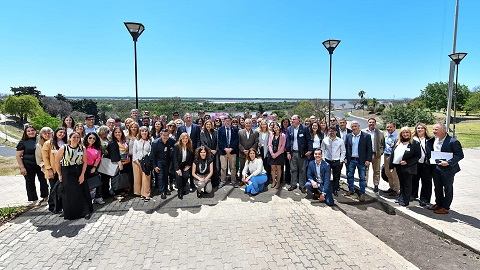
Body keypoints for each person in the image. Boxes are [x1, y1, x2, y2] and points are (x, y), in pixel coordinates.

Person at [426, 123, 464, 214]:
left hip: (448, 169)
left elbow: (460, 155)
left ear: (443, 130)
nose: (434, 131)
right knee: (437, 187)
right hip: (436, 167)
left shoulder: (453, 141)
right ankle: (438, 203)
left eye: (436, 129)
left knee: (447, 188)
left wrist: (448, 163)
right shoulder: (432, 140)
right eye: (433, 129)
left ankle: (445, 207)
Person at [55, 132, 93, 220]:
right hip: (67, 171)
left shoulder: (82, 148)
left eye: (78, 137)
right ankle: (72, 213)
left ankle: (85, 211)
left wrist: (82, 174)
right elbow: (57, 161)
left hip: (78, 170)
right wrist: (60, 174)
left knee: (81, 191)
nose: (76, 139)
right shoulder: (63, 148)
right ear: (70, 138)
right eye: (74, 137)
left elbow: (85, 162)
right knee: (69, 193)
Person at [16, 125, 49, 206]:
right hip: (28, 165)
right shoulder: (23, 142)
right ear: (26, 133)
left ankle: (45, 196)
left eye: (32, 130)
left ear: (36, 131)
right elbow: (18, 156)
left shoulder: (40, 140)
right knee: (30, 182)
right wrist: (22, 167)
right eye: (29, 131)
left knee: (43, 180)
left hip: (40, 164)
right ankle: (34, 199)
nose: (31, 132)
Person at [389, 127, 421, 206]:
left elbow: (417, 156)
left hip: (409, 167)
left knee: (407, 184)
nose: (405, 134)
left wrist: (407, 162)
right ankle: (401, 197)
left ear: (410, 133)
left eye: (407, 132)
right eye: (403, 132)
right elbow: (393, 153)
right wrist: (391, 165)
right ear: (401, 134)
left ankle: (405, 200)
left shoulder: (415, 143)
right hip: (399, 166)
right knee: (402, 183)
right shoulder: (397, 141)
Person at [344, 121, 372, 202]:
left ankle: (362, 193)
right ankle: (351, 189)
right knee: (350, 176)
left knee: (362, 177)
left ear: (359, 126)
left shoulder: (366, 136)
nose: (354, 128)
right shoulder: (348, 136)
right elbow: (346, 148)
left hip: (362, 160)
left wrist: (368, 160)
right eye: (352, 126)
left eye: (355, 126)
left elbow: (369, 149)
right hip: (351, 160)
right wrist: (345, 158)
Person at [42, 127, 67, 212]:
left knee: (62, 188)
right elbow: (45, 158)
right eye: (60, 132)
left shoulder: (65, 143)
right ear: (56, 133)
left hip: (63, 169)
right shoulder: (48, 143)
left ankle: (61, 206)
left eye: (64, 133)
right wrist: (48, 169)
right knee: (53, 189)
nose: (62, 134)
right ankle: (53, 206)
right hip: (52, 170)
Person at [286, 115, 312, 191]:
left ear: (298, 120)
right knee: (293, 169)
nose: (292, 120)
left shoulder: (304, 128)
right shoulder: (289, 129)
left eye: (294, 119)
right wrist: (288, 152)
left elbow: (309, 140)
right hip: (292, 153)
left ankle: (302, 185)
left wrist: (309, 150)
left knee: (302, 170)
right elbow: (288, 141)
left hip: (302, 153)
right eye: (292, 119)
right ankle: (293, 184)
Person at [151, 129, 176, 199]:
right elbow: (152, 155)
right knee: (161, 176)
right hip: (159, 161)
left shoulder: (171, 141)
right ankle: (162, 192)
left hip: (167, 160)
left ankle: (165, 189)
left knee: (166, 175)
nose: (165, 137)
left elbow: (177, 144)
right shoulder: (155, 143)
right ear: (161, 135)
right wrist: (154, 166)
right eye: (164, 135)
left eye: (167, 135)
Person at [107, 127, 131, 199]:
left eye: (119, 132)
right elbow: (113, 154)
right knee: (116, 178)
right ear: (113, 134)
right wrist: (119, 163)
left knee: (123, 177)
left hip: (126, 162)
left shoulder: (124, 141)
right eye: (116, 132)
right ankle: (116, 192)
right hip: (118, 163)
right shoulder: (112, 142)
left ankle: (123, 190)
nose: (118, 134)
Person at [321, 126, 346, 197]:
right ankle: (326, 189)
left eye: (333, 131)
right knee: (326, 176)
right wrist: (323, 159)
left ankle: (335, 189)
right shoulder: (325, 140)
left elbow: (343, 151)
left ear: (336, 132)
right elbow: (322, 149)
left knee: (336, 176)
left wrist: (341, 160)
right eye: (330, 131)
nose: (331, 133)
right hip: (327, 160)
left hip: (337, 161)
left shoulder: (340, 141)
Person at [412, 122, 432, 206]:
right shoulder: (412, 139)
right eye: (418, 128)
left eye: (422, 128)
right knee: (414, 180)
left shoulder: (430, 140)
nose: (420, 130)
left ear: (425, 130)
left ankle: (424, 199)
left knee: (426, 182)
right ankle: (412, 195)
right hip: (415, 164)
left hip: (426, 164)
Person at [363, 118, 385, 193]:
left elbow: (383, 143)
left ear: (375, 123)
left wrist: (381, 152)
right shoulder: (363, 132)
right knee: (365, 169)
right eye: (370, 122)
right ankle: (364, 183)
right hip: (366, 154)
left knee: (376, 171)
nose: (371, 124)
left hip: (376, 154)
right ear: (367, 123)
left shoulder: (380, 132)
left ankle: (376, 185)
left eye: (373, 122)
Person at [217, 116, 239, 188]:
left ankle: (233, 181)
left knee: (233, 167)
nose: (228, 122)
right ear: (224, 122)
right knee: (223, 167)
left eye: (229, 121)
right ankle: (222, 181)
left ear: (231, 122)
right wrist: (225, 148)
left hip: (232, 152)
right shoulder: (220, 129)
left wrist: (231, 148)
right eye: (226, 121)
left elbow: (236, 140)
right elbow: (219, 141)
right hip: (223, 152)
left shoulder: (235, 129)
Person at [132, 126, 152, 201]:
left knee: (146, 178)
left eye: (145, 131)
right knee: (138, 178)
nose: (144, 132)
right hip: (137, 161)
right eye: (142, 131)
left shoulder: (150, 140)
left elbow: (151, 151)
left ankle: (146, 194)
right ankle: (140, 193)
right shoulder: (136, 141)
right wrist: (137, 161)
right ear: (140, 132)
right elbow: (134, 152)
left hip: (146, 162)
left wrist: (147, 159)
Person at [238, 118, 259, 188]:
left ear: (251, 124)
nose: (248, 124)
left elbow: (256, 142)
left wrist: (250, 151)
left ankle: (250, 180)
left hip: (252, 154)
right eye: (246, 123)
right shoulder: (240, 132)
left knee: (251, 168)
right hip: (242, 153)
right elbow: (238, 142)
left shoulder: (255, 132)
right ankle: (242, 180)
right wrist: (243, 150)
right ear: (244, 124)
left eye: (249, 123)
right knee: (242, 167)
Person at [83, 132, 103, 204]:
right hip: (83, 167)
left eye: (94, 138)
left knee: (98, 180)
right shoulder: (83, 147)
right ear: (87, 138)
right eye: (90, 138)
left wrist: (94, 167)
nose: (92, 139)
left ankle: (98, 197)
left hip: (93, 166)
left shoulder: (97, 148)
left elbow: (98, 158)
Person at [173, 132, 194, 199]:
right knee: (179, 176)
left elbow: (191, 157)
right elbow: (174, 158)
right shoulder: (176, 146)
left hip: (185, 164)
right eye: (183, 138)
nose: (185, 140)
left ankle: (184, 186)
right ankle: (180, 191)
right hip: (178, 164)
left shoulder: (189, 146)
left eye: (186, 138)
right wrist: (177, 169)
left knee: (185, 175)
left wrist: (189, 165)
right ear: (181, 139)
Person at [200, 119, 219, 188]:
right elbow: (203, 144)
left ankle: (216, 183)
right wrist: (210, 150)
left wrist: (216, 150)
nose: (208, 125)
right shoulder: (202, 133)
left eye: (209, 124)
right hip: (208, 153)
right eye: (207, 124)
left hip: (215, 153)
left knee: (216, 167)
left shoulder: (215, 132)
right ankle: (208, 183)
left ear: (211, 125)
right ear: (205, 125)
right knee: (209, 168)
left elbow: (217, 141)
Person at [383, 122, 400, 196]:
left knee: (394, 174)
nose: (389, 129)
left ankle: (396, 189)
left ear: (394, 127)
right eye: (387, 127)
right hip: (386, 155)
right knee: (388, 173)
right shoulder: (386, 134)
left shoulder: (398, 136)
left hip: (394, 156)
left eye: (390, 127)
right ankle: (391, 187)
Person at [268, 122, 286, 189]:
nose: (275, 129)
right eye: (274, 128)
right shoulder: (271, 135)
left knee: (278, 168)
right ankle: (273, 181)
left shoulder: (283, 135)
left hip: (280, 154)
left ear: (279, 127)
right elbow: (269, 144)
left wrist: (277, 154)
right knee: (272, 168)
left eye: (277, 127)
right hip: (272, 153)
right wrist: (272, 153)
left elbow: (283, 146)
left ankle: (278, 182)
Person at [257, 120, 271, 185]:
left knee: (266, 166)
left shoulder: (269, 133)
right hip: (260, 150)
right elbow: (256, 141)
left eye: (265, 124)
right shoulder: (258, 132)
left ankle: (267, 180)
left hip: (267, 151)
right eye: (262, 124)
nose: (263, 126)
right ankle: (260, 180)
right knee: (260, 165)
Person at [280, 118, 291, 184]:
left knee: (288, 165)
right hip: (281, 150)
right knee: (281, 165)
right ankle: (280, 179)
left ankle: (288, 179)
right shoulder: (281, 130)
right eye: (284, 122)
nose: (285, 123)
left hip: (288, 150)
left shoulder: (290, 129)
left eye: (287, 122)